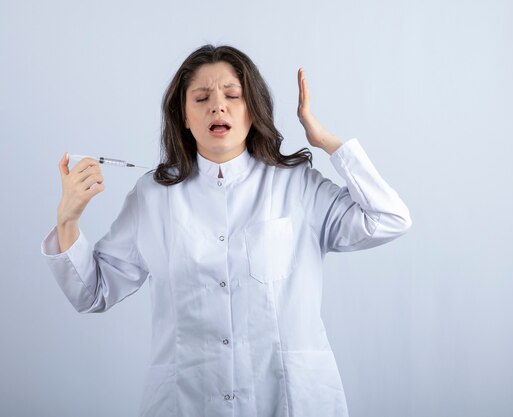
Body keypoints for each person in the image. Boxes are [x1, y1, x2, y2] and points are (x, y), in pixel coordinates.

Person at [41, 44, 411, 417]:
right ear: (183, 116)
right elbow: (93, 293)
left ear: (253, 109)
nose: (218, 106)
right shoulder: (152, 196)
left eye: (233, 95)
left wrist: (328, 141)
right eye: (201, 98)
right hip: (187, 401)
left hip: (290, 400)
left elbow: (389, 218)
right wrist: (68, 220)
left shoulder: (297, 186)